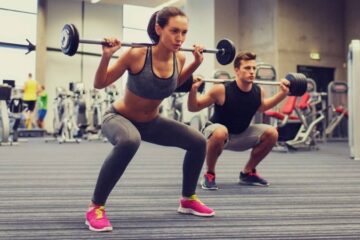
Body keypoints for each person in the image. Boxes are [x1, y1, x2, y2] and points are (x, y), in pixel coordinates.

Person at [85, 7, 214, 232]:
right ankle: (95, 207)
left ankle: (188, 199)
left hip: (151, 122)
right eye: (174, 31)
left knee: (198, 141)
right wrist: (106, 56)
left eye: (184, 32)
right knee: (129, 141)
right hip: (118, 117)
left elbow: (172, 85)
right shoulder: (136, 55)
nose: (180, 38)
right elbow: (100, 83)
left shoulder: (180, 58)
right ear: (158, 28)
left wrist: (195, 64)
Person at [188, 52, 290, 190]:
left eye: (254, 68)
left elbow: (263, 107)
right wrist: (193, 89)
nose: (252, 72)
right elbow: (193, 107)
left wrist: (283, 93)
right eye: (247, 68)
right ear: (236, 70)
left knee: (272, 133)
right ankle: (209, 174)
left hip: (240, 135)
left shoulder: (258, 91)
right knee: (220, 131)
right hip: (216, 135)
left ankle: (248, 172)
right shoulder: (221, 89)